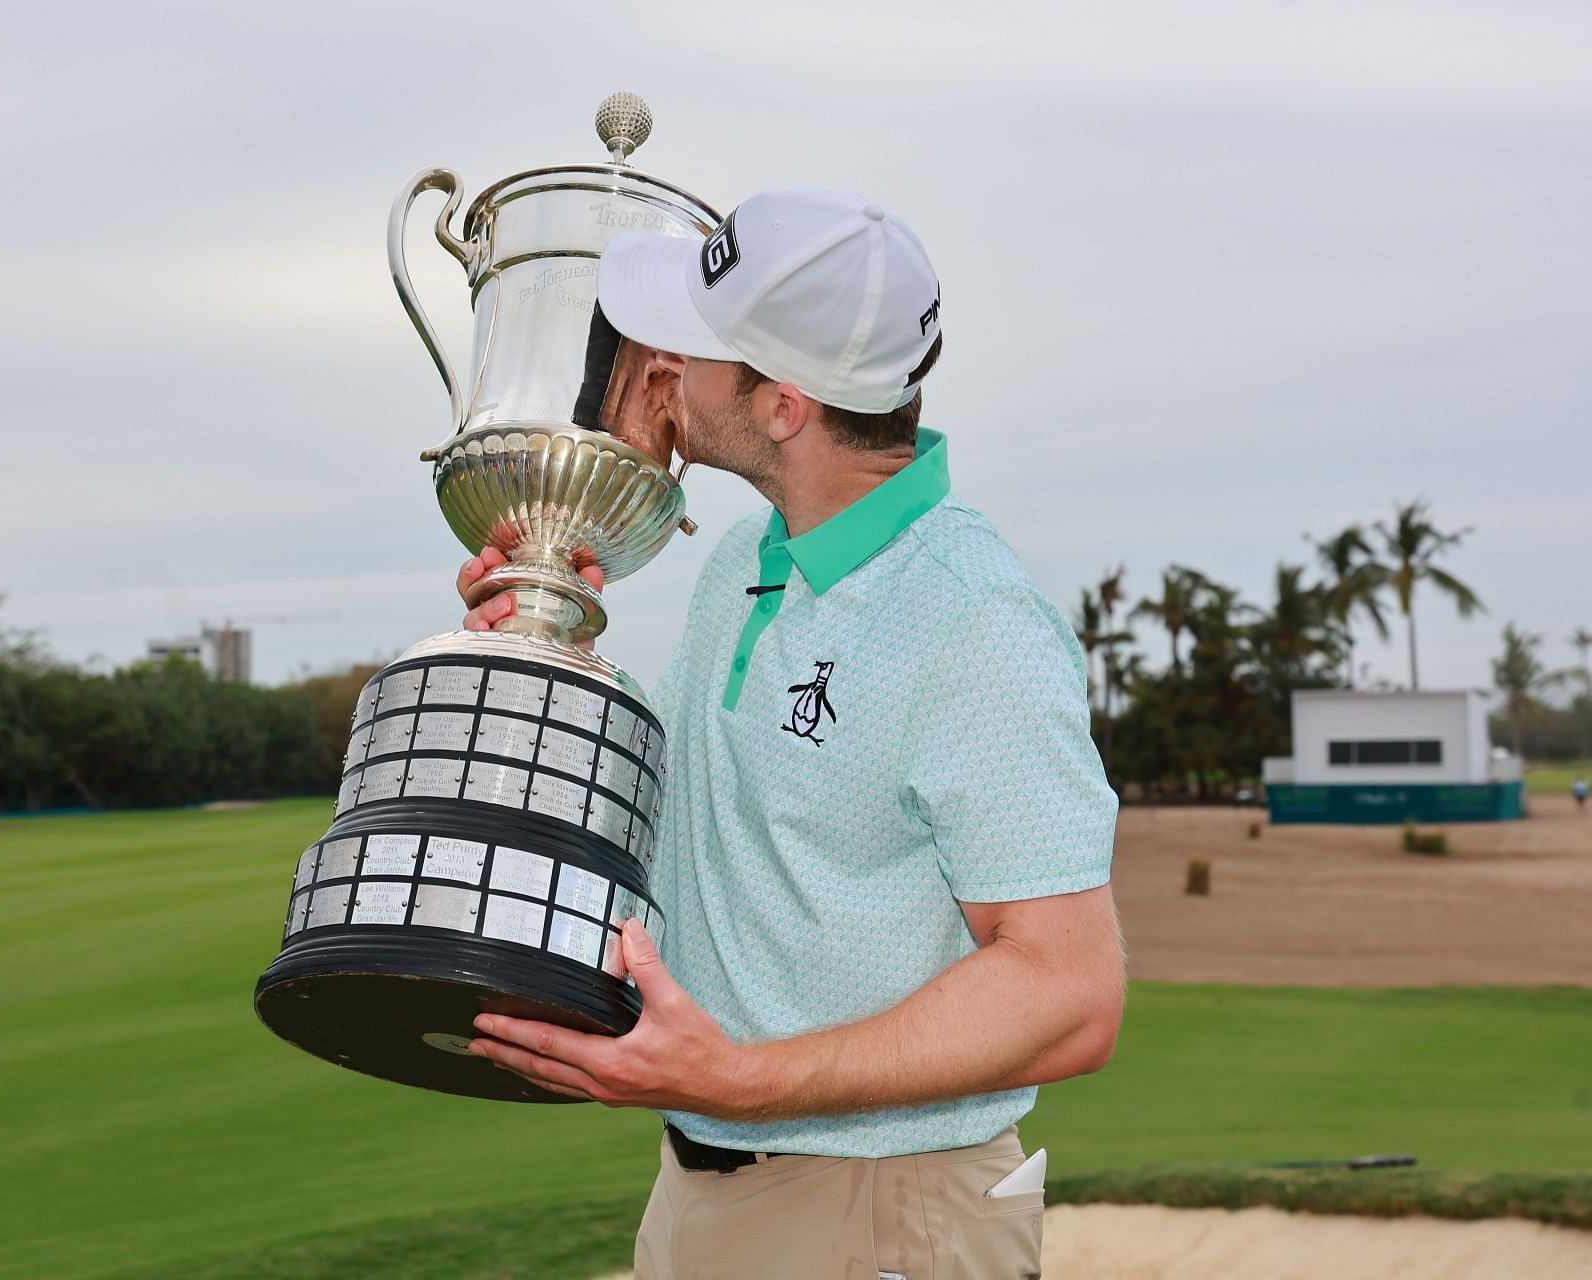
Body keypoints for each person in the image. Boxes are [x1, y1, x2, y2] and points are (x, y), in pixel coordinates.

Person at [458, 187, 1126, 1280]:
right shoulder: (752, 559)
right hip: (706, 1182)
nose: (662, 363)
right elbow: (674, 803)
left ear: (781, 405)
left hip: (880, 1212)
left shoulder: (973, 622)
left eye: (693, 346)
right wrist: (546, 637)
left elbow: (1068, 994)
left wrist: (737, 1079)